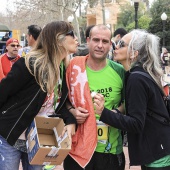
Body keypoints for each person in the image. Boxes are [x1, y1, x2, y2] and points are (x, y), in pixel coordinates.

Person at [0, 21, 79, 170]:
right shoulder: (30, 63)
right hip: (10, 136)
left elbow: (58, 105)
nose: (76, 39)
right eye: (72, 34)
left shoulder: (64, 69)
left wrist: (70, 120)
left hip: (40, 139)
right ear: (58, 38)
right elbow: (3, 93)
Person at [95, 29, 170, 169]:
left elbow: (136, 123)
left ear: (134, 53)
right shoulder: (141, 73)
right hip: (159, 147)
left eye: (122, 44)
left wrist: (104, 113)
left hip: (157, 156)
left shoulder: (136, 79)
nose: (116, 46)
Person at [64, 24, 125, 170]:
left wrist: (114, 114)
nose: (100, 45)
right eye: (96, 40)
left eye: (105, 41)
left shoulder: (119, 71)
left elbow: (128, 103)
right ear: (88, 40)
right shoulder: (74, 67)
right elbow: (61, 99)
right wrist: (72, 111)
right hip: (77, 149)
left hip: (109, 151)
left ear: (110, 44)